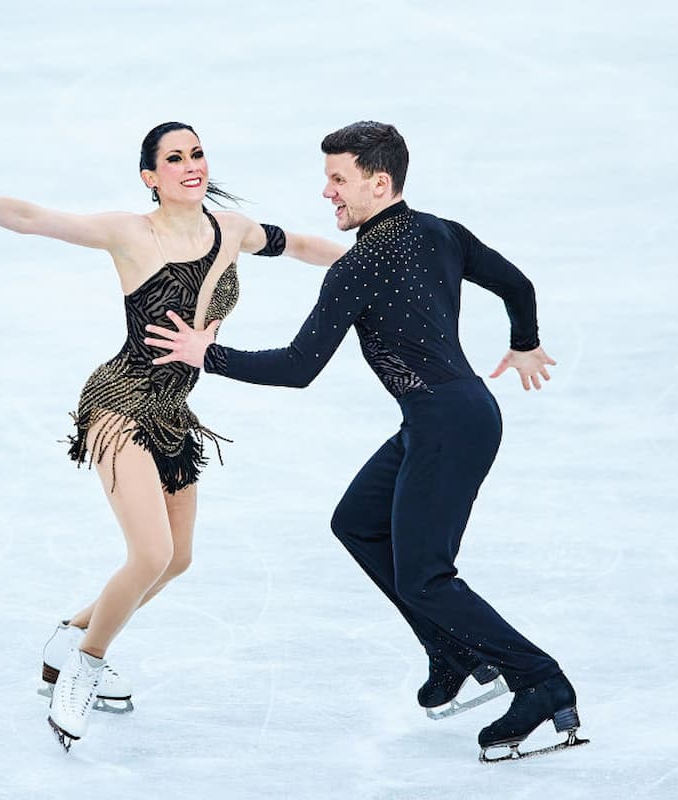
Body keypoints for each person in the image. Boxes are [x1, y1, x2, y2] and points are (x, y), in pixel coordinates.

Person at [0, 122, 346, 751]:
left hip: (171, 411)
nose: (191, 166)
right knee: (150, 555)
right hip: (118, 404)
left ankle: (68, 637)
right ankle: (84, 665)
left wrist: (388, 258)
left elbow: (301, 246)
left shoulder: (232, 230)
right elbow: (29, 218)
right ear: (149, 177)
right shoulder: (130, 233)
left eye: (197, 154)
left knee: (178, 558)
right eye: (174, 158)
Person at [143, 121, 584, 761]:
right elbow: (517, 285)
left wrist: (209, 354)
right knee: (357, 522)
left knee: (427, 577)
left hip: (447, 425)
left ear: (380, 183)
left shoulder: (360, 267)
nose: (327, 192)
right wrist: (524, 341)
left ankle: (541, 682)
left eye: (338, 178)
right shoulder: (441, 232)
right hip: (444, 418)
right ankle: (450, 649)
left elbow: (298, 367)